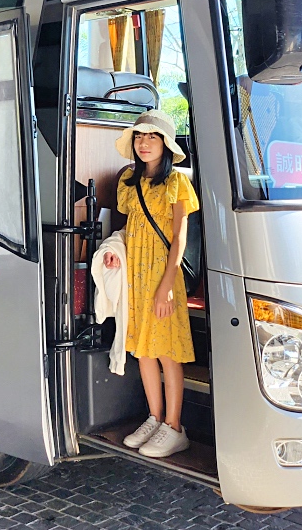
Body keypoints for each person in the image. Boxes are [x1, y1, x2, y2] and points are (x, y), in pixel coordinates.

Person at [102, 109, 199, 459]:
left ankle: (174, 426)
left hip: (163, 276)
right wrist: (115, 252)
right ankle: (155, 418)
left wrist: (167, 285)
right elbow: (130, 230)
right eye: (139, 137)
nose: (144, 143)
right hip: (137, 274)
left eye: (152, 137)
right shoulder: (130, 181)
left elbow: (179, 238)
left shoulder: (177, 184)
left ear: (166, 144)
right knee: (143, 348)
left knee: (167, 351)